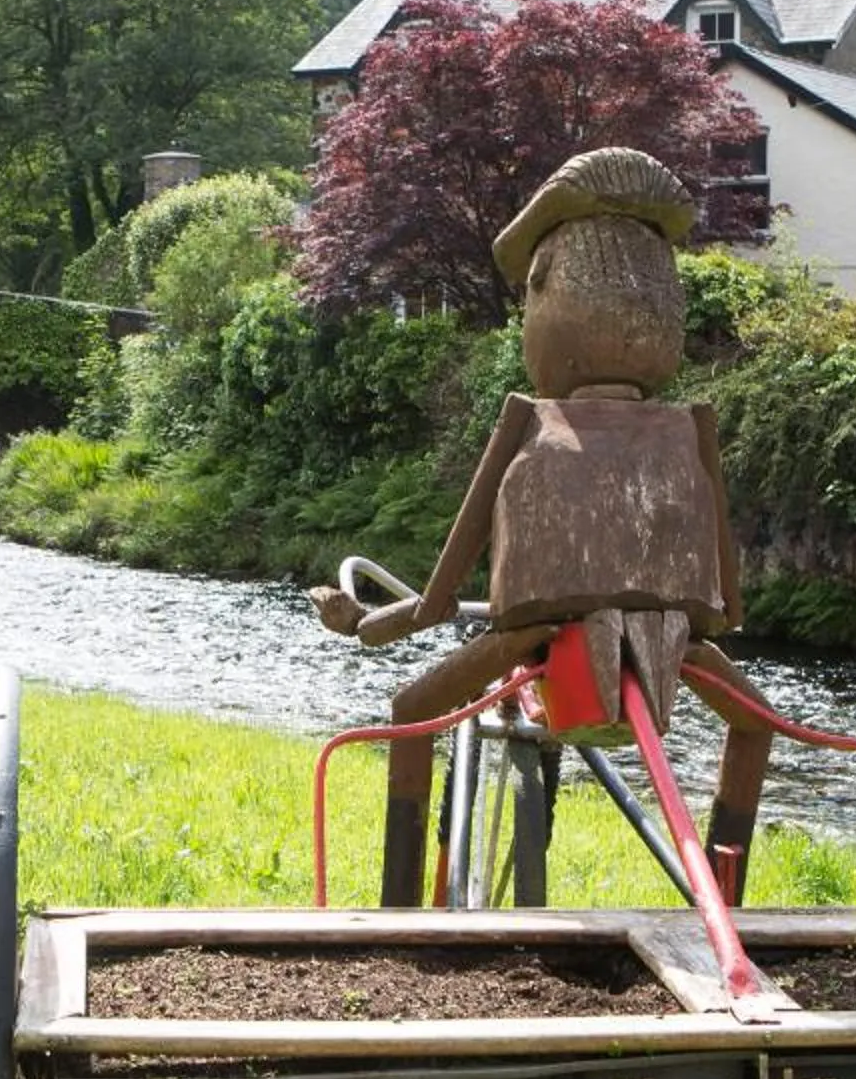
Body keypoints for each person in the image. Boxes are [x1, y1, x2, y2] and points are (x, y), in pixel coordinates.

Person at [310, 147, 776, 906]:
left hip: (524, 633)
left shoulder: (528, 417)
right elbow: (728, 609)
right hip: (679, 643)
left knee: (411, 712)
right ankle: (725, 904)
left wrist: (364, 624)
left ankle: (397, 917)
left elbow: (435, 600)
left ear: (546, 296)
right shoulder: (693, 427)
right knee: (754, 726)